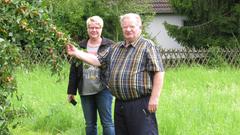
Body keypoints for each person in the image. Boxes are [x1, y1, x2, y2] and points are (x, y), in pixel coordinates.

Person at [66, 13, 165, 135]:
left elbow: (158, 71)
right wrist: (76, 53)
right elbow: (97, 60)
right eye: (125, 27)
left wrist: (154, 98)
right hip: (120, 104)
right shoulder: (116, 47)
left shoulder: (147, 45)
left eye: (132, 26)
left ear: (140, 27)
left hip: (140, 103)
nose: (128, 29)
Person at [67, 16, 115, 135]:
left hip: (104, 89)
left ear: (101, 29)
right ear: (87, 29)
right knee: (89, 123)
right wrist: (71, 91)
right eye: (91, 27)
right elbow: (74, 70)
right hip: (85, 90)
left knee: (107, 122)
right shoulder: (80, 46)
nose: (94, 30)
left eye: (97, 27)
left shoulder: (110, 45)